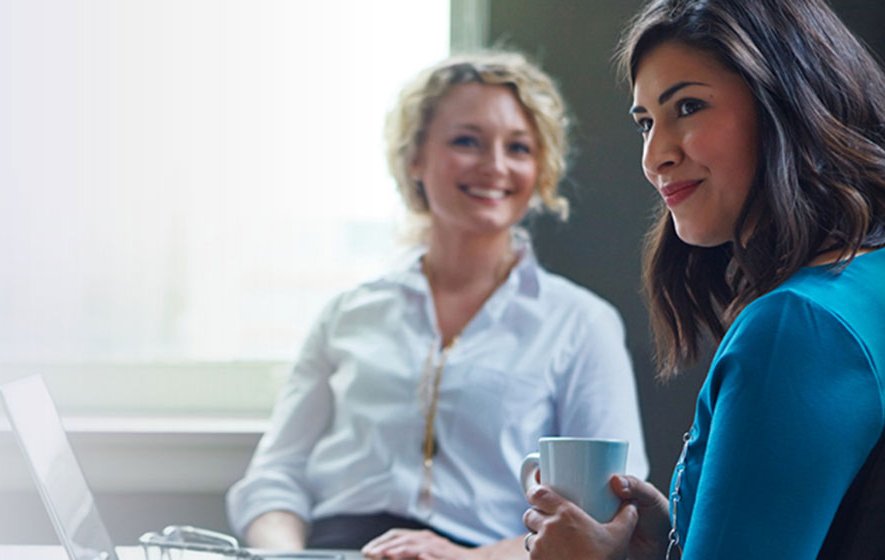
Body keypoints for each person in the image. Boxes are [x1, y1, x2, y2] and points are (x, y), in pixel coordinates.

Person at [521, 0, 885, 558]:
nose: (654, 155)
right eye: (645, 123)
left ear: (786, 104)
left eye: (688, 106)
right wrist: (673, 532)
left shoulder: (796, 330)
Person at [226, 51, 649, 559]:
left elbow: (607, 514)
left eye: (518, 147)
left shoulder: (582, 324)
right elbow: (274, 479)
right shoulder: (346, 314)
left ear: (540, 169)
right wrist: (290, 558)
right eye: (466, 141)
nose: (494, 165)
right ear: (415, 159)